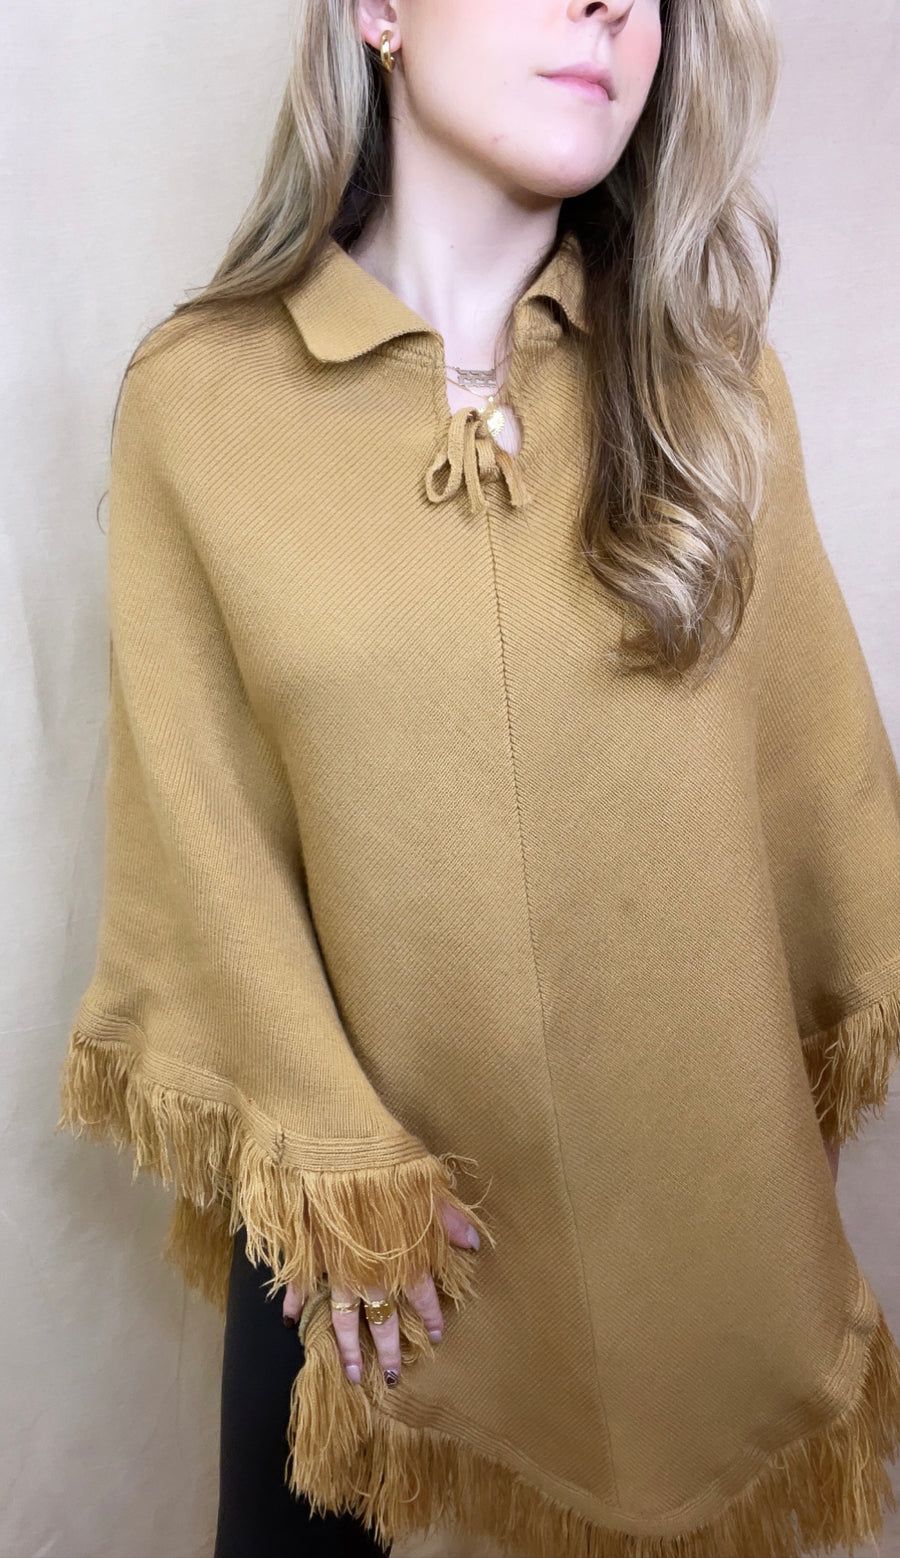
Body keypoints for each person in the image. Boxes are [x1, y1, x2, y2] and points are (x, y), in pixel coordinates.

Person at [58, 0, 900, 1555]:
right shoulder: (201, 404)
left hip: (675, 1238)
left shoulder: (713, 388)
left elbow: (817, 810)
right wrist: (334, 1162)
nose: (611, 9)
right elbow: (200, 842)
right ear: (377, 10)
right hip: (364, 1269)